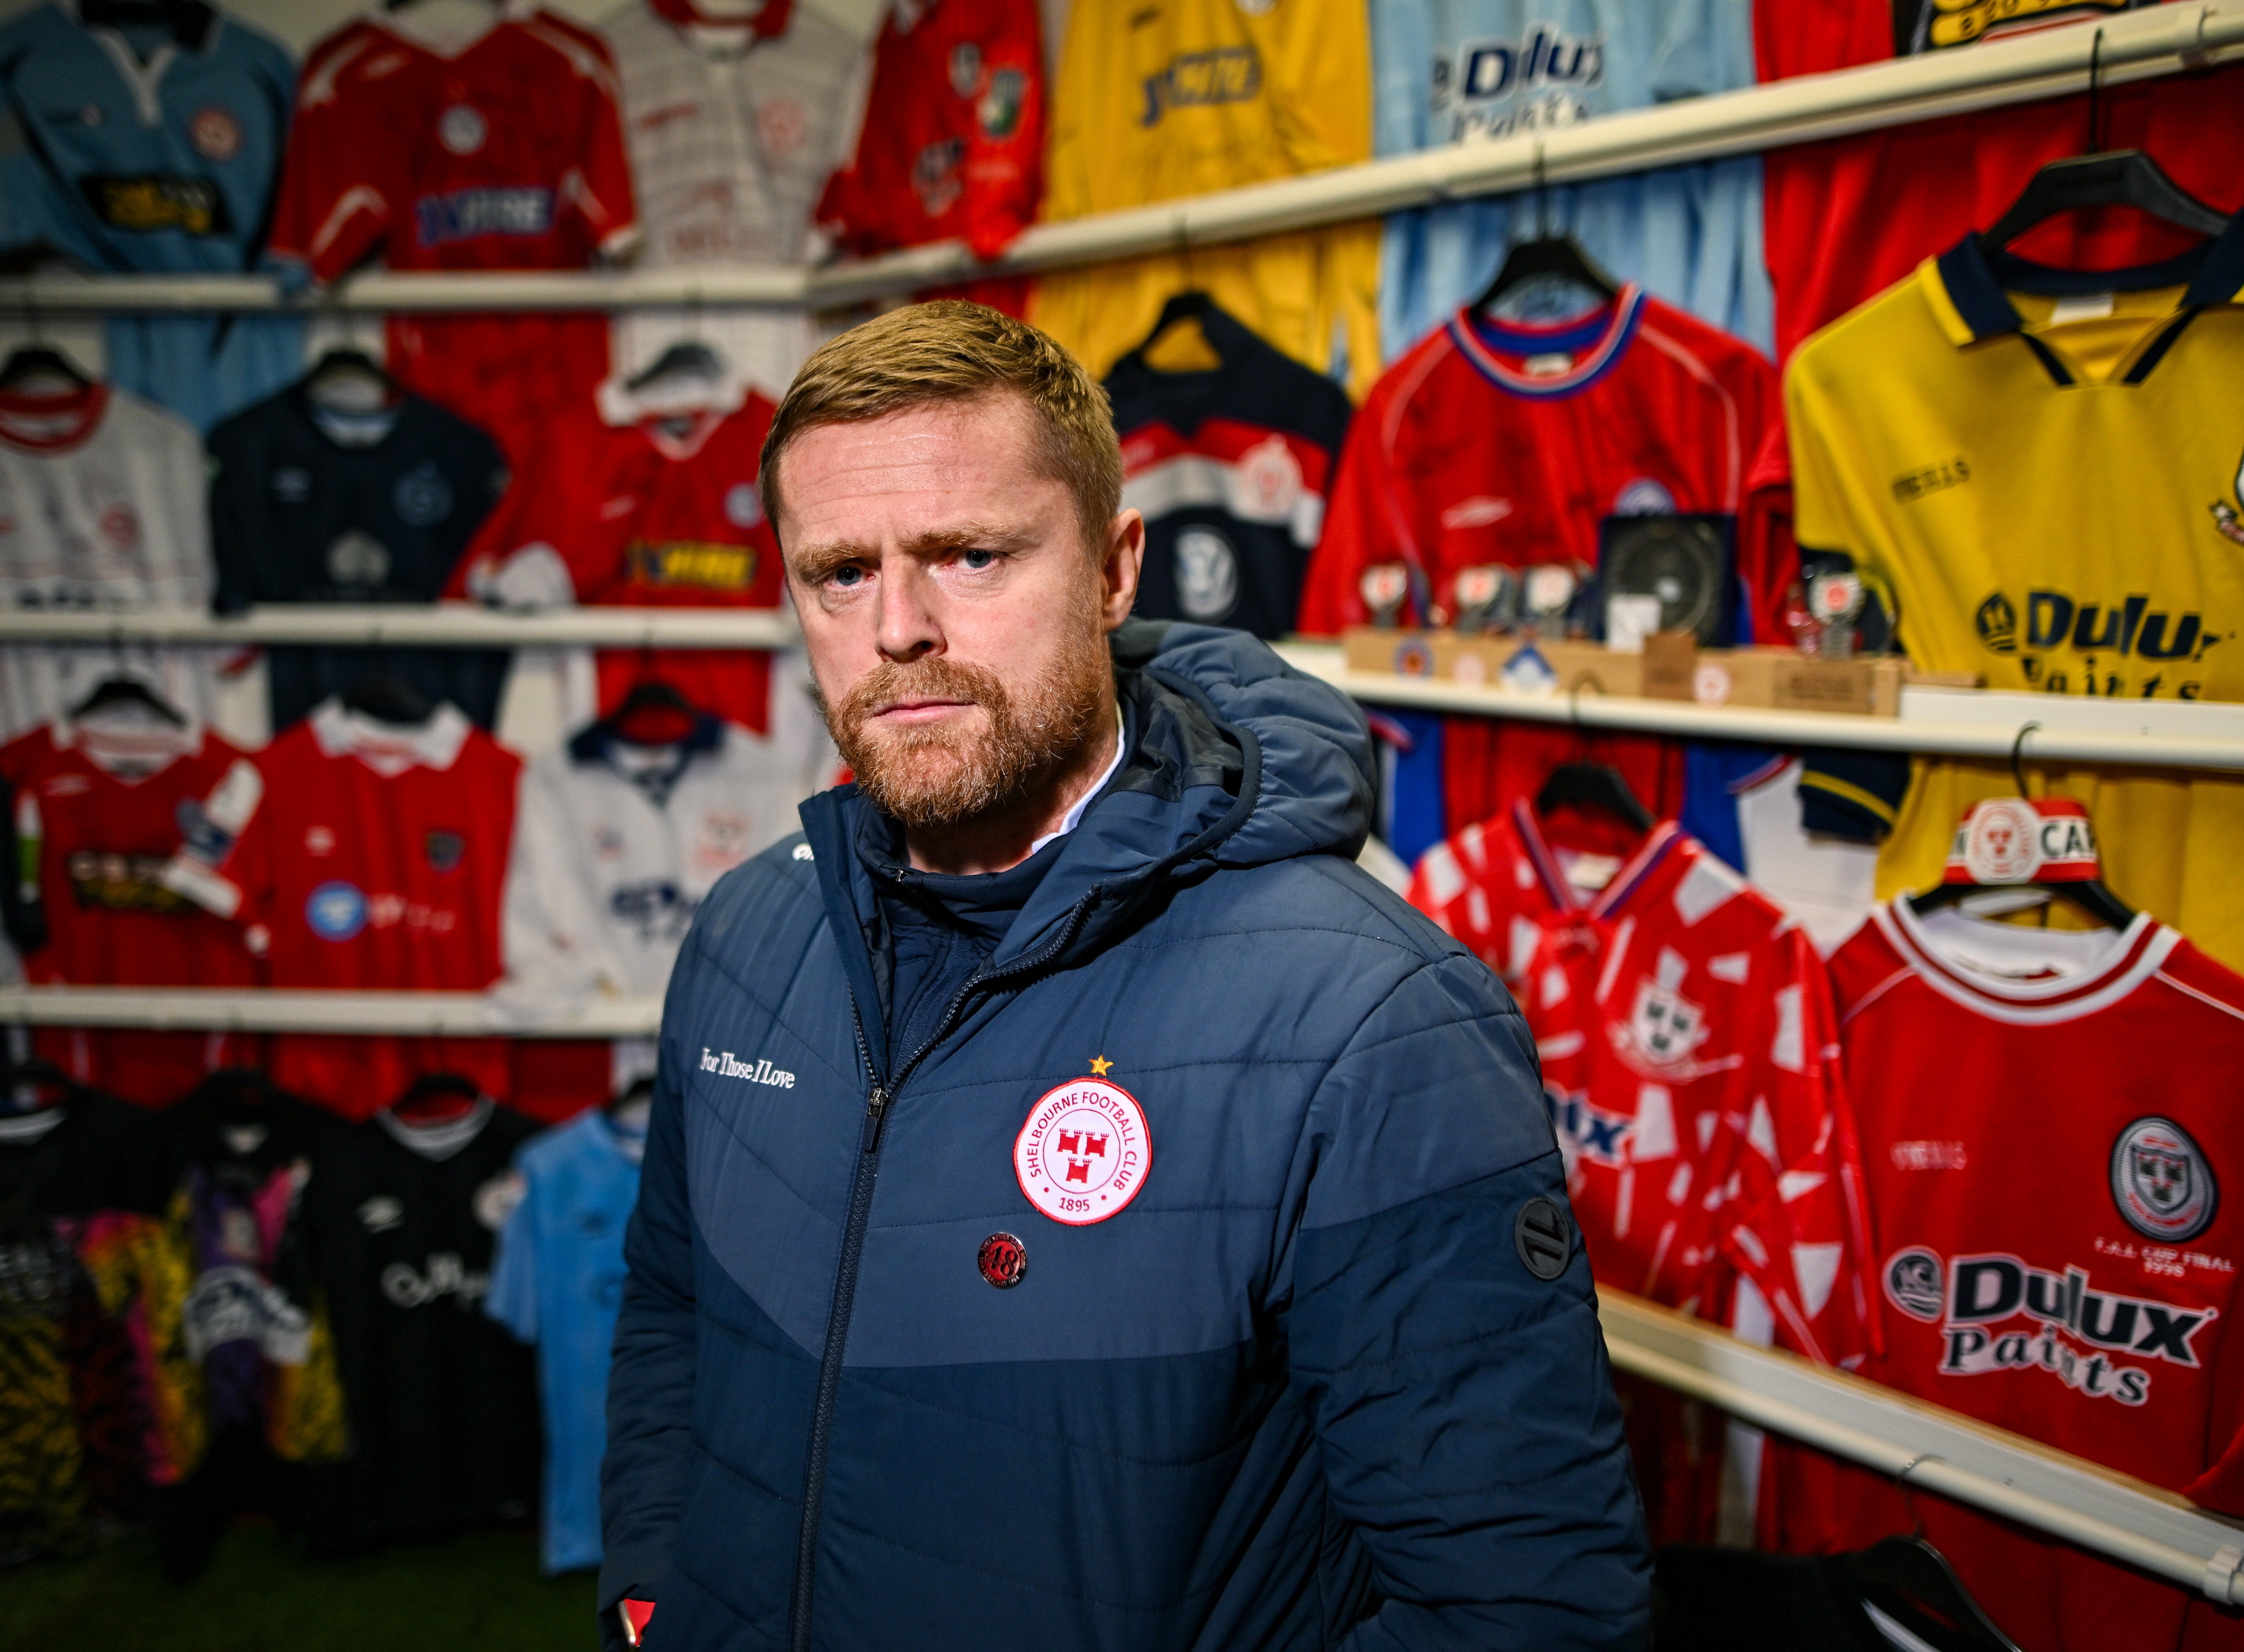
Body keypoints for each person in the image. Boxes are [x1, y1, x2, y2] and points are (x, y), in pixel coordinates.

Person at [599, 300, 1650, 1650]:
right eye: (838, 573)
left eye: (969, 556)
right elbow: (673, 1312)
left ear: (1112, 567)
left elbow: (1526, 1614)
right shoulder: (748, 934)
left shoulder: (1372, 1020)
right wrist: (652, 1593)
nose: (898, 628)